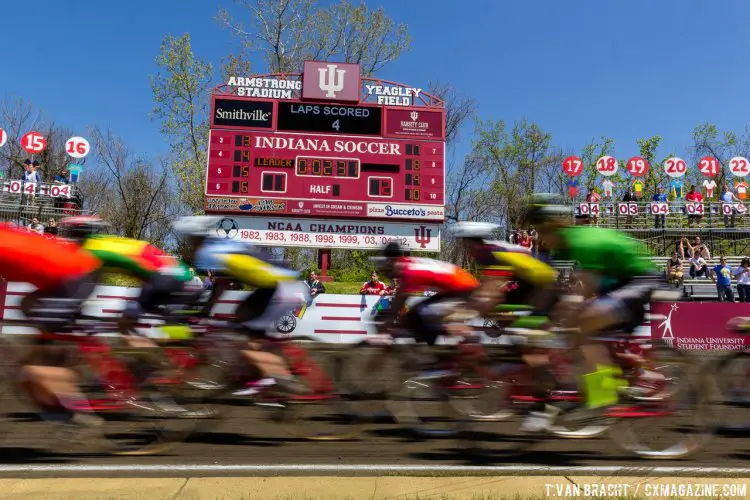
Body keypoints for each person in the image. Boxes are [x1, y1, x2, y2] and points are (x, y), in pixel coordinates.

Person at [521, 193, 661, 431]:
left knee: (583, 325)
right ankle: (616, 378)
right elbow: (553, 288)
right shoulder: (563, 248)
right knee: (578, 329)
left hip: (639, 281)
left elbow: (582, 292)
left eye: (541, 231)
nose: (539, 237)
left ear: (555, 226)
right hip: (619, 283)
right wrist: (529, 318)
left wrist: (555, 321)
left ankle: (603, 395)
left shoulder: (582, 242)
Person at [172, 215, 307, 394]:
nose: (189, 243)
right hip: (280, 285)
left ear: (196, 238)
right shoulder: (220, 244)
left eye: (189, 239)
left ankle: (280, 378)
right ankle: (252, 375)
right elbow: (228, 281)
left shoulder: (207, 252)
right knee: (243, 326)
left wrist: (204, 312)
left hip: (280, 288)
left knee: (239, 337)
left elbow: (221, 285)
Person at [0, 224, 103, 430]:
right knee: (26, 307)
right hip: (66, 276)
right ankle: (59, 358)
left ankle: (76, 407)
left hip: (73, 277)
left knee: (31, 368)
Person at [59, 216, 195, 345]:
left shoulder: (91, 249)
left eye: (71, 233)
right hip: (172, 271)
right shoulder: (101, 243)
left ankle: (158, 359)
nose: (70, 238)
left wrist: (75, 309)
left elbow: (86, 286)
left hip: (163, 275)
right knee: (128, 325)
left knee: (127, 324)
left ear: (79, 233)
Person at [374, 242, 480, 346]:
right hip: (459, 285)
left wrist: (388, 321)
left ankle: (468, 336)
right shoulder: (408, 263)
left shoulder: (409, 272)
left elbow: (400, 300)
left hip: (463, 289)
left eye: (389, 266)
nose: (389, 272)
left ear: (394, 261)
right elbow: (399, 300)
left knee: (419, 316)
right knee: (417, 317)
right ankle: (429, 346)